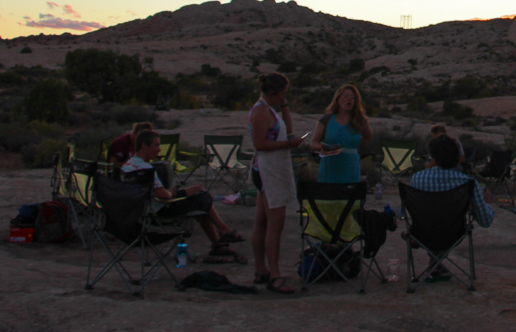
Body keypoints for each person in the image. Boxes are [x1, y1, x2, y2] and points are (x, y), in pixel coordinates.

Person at [121, 130, 245, 256]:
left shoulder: (127, 166)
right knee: (203, 198)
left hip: (141, 210)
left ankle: (220, 241)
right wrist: (173, 193)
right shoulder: (147, 169)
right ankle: (222, 232)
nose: (159, 150)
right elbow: (163, 196)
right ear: (144, 146)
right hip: (159, 210)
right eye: (156, 145)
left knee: (198, 192)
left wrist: (174, 192)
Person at [410, 133, 495, 281]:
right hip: (454, 234)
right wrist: (487, 202)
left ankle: (435, 264)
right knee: (445, 222)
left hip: (422, 233)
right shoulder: (468, 183)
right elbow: (485, 221)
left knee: (434, 222)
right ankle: (436, 265)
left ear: (434, 157)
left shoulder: (418, 178)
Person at [248, 72, 305, 294]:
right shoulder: (261, 111)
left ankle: (261, 270)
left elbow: (287, 130)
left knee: (262, 222)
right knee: (275, 224)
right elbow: (260, 143)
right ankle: (274, 274)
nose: (283, 97)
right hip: (268, 171)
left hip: (270, 170)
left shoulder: (270, 109)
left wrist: (285, 106)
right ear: (272, 93)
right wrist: (288, 144)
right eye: (282, 94)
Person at [310, 84, 373, 184]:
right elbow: (313, 142)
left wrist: (352, 145)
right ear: (338, 99)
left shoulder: (359, 121)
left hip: (350, 165)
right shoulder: (326, 120)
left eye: (353, 98)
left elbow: (368, 137)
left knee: (349, 196)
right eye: (346, 96)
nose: (349, 100)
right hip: (330, 164)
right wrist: (323, 148)